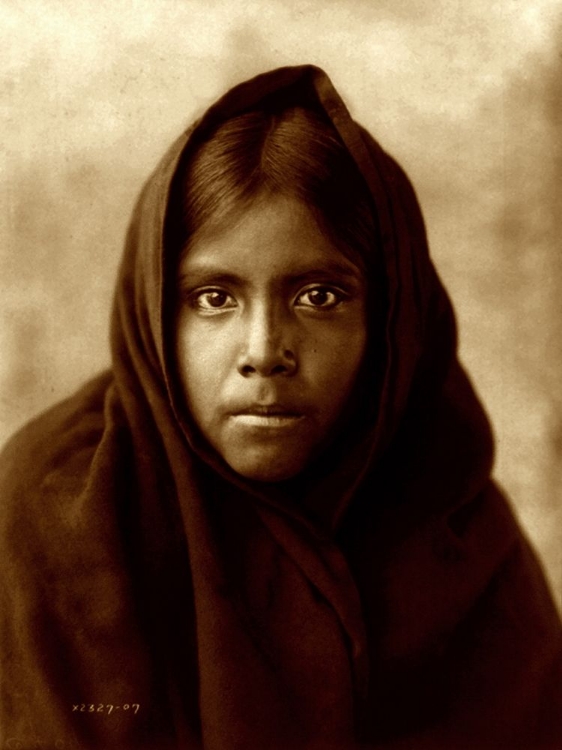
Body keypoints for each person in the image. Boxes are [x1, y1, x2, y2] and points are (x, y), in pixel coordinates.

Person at [0, 64, 560, 750]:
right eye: (214, 299)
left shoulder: (459, 527)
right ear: (154, 312)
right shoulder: (57, 509)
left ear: (391, 322)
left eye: (318, 296)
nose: (264, 351)